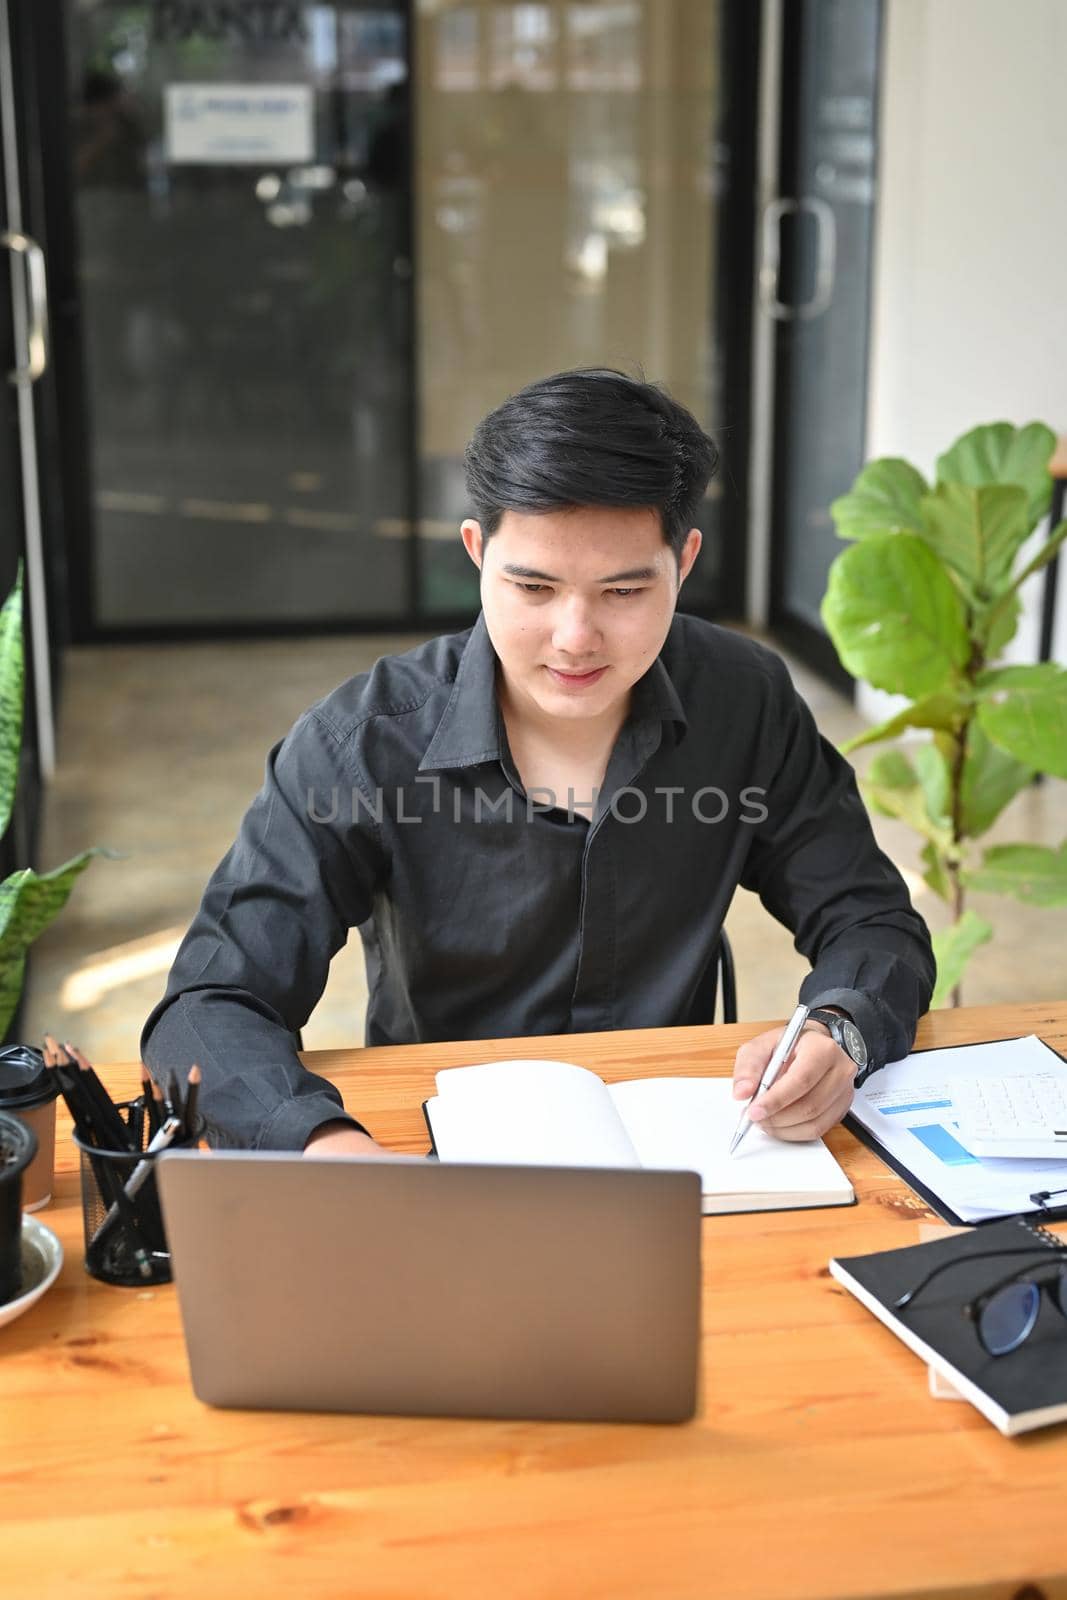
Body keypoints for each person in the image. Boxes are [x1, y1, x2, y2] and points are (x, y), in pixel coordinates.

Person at [142, 368, 935, 1157]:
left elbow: (870, 919)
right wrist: (322, 1144)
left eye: (623, 592)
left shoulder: (743, 698)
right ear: (475, 551)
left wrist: (841, 1031)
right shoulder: (364, 743)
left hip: (681, 1142)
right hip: (442, 1140)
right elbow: (211, 1005)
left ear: (683, 562)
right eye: (533, 586)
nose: (575, 637)